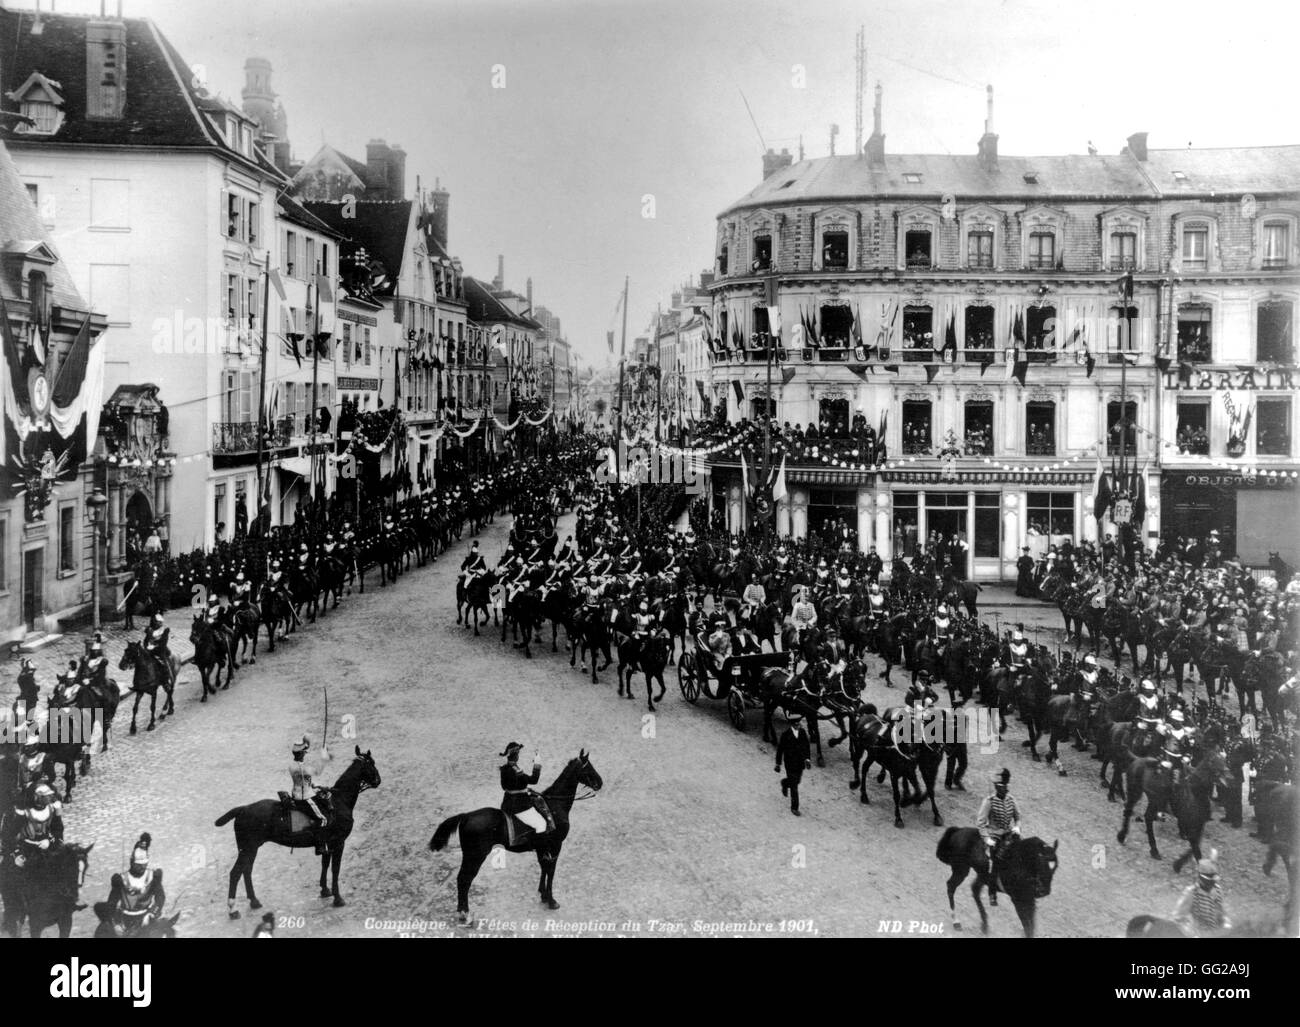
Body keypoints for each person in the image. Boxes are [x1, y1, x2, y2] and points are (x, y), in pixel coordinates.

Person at [97, 832, 165, 936]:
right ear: (132, 863)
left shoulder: (153, 877)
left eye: (144, 864)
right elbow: (112, 902)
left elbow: (160, 897)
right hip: (126, 918)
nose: (142, 867)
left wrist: (152, 913)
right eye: (139, 865)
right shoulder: (121, 879)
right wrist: (115, 923)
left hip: (147, 917)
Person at [976, 768, 1020, 899]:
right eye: (1002, 786)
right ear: (996, 787)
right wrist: (987, 838)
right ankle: (992, 891)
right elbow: (980, 823)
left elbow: (1018, 817)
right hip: (994, 836)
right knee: (996, 862)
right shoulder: (989, 801)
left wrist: (1017, 827)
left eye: (1006, 786)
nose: (1005, 789)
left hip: (1009, 833)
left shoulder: (1011, 800)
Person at [499, 742, 553, 840]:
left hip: (507, 803)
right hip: (519, 806)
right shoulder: (516, 770)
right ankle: (542, 852)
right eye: (518, 754)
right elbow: (534, 780)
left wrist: (520, 788)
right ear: (516, 756)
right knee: (541, 824)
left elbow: (504, 787)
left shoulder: (504, 769)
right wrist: (537, 762)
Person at [288, 736, 331, 855]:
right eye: (304, 752)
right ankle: (320, 847)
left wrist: (317, 786)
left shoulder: (293, 765)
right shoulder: (302, 767)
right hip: (304, 798)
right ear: (300, 754)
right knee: (323, 819)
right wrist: (324, 757)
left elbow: (305, 781)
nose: (305, 754)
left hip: (300, 792)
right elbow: (317, 771)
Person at [1171, 855, 1231, 936]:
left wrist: (1226, 923)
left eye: (1213, 881)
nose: (1212, 884)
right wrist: (1190, 934)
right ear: (1201, 879)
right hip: (1197, 933)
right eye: (1209, 881)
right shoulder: (1191, 892)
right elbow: (1178, 919)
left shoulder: (1218, 890)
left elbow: (1222, 913)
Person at [774, 711, 812, 816]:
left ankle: (785, 783)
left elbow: (806, 747)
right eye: (796, 724)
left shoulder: (803, 733)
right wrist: (778, 764)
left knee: (797, 781)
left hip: (800, 763)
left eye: (799, 723)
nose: (798, 725)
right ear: (791, 724)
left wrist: (807, 759)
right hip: (790, 763)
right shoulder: (785, 735)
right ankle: (794, 808)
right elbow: (780, 750)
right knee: (794, 785)